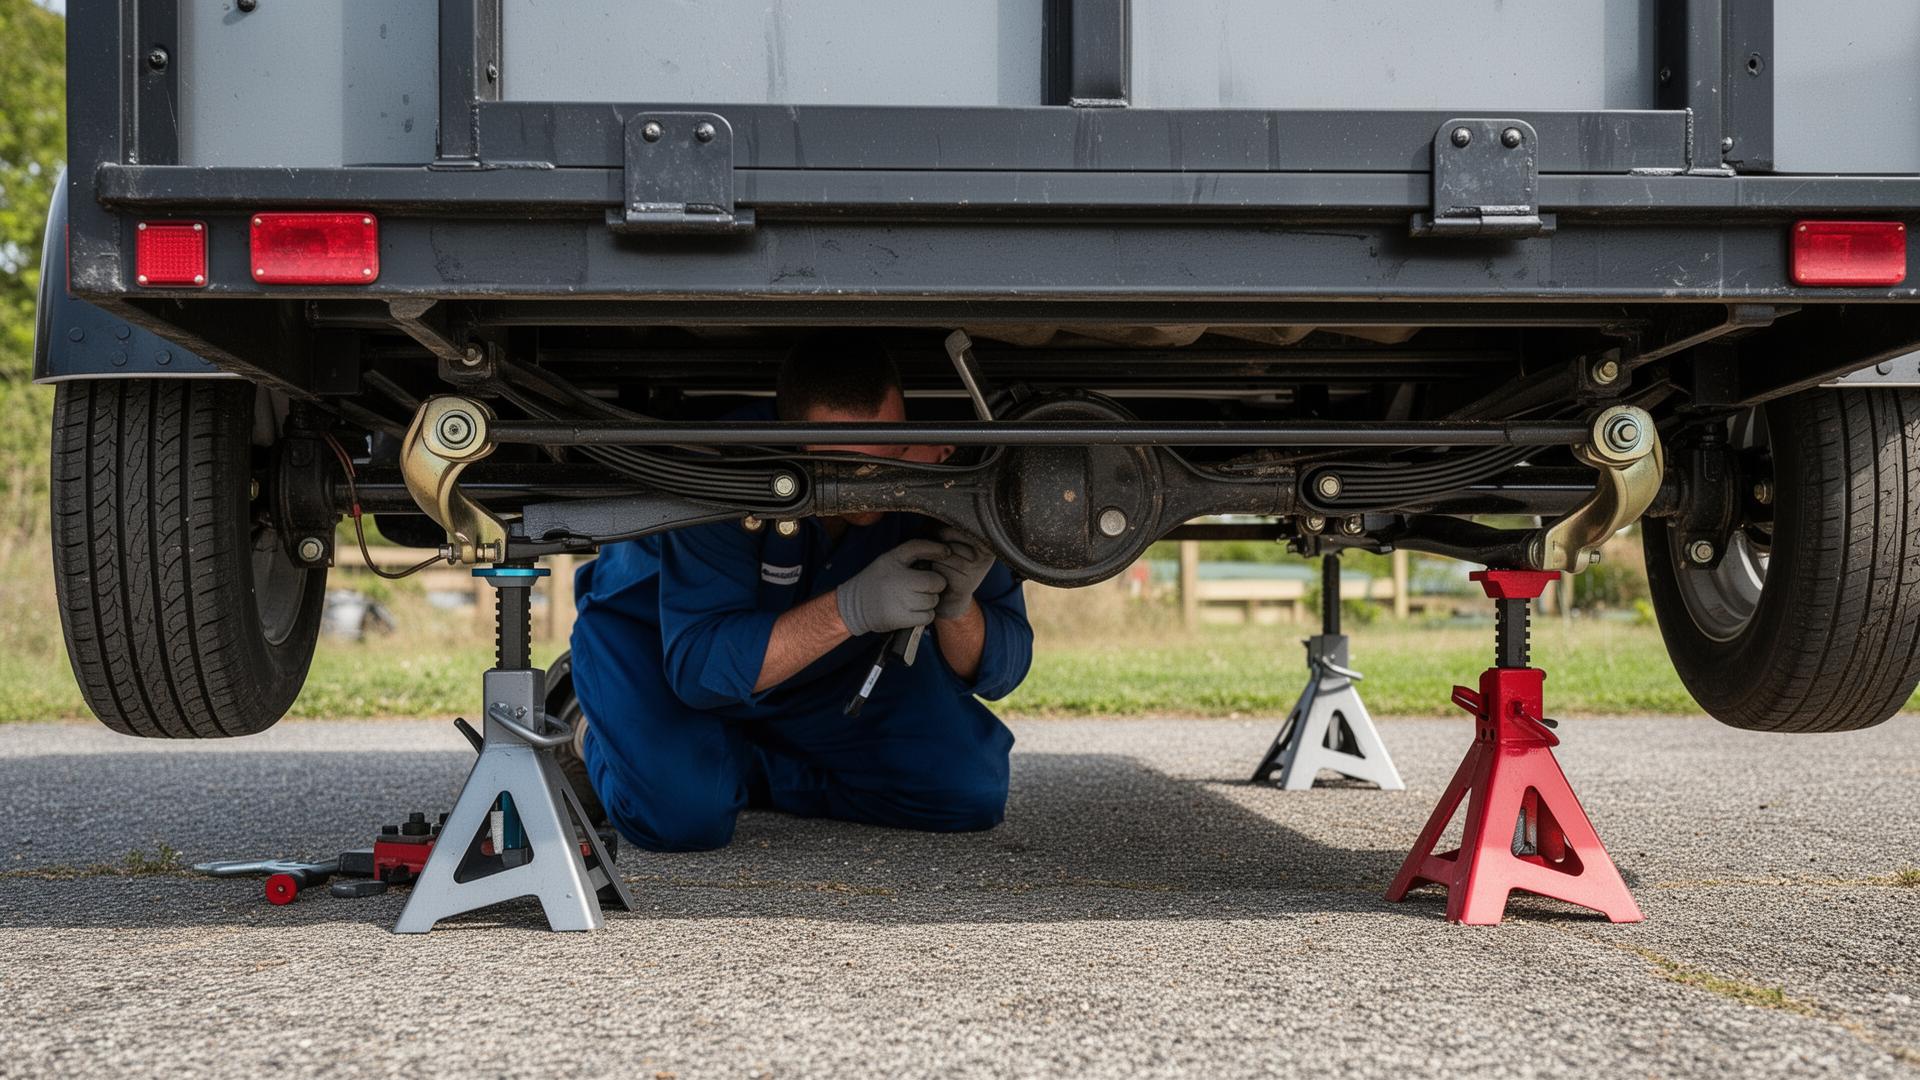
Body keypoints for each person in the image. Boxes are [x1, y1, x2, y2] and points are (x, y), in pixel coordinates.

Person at [563, 335, 1033, 852]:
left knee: (965, 792)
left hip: (821, 675)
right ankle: (586, 728)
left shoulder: (931, 463)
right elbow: (699, 670)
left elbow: (1003, 668)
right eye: (852, 470)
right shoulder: (722, 469)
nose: (877, 481)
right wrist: (849, 608)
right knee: (683, 818)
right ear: (797, 447)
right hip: (656, 653)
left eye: (890, 454)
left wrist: (958, 608)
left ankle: (739, 767)